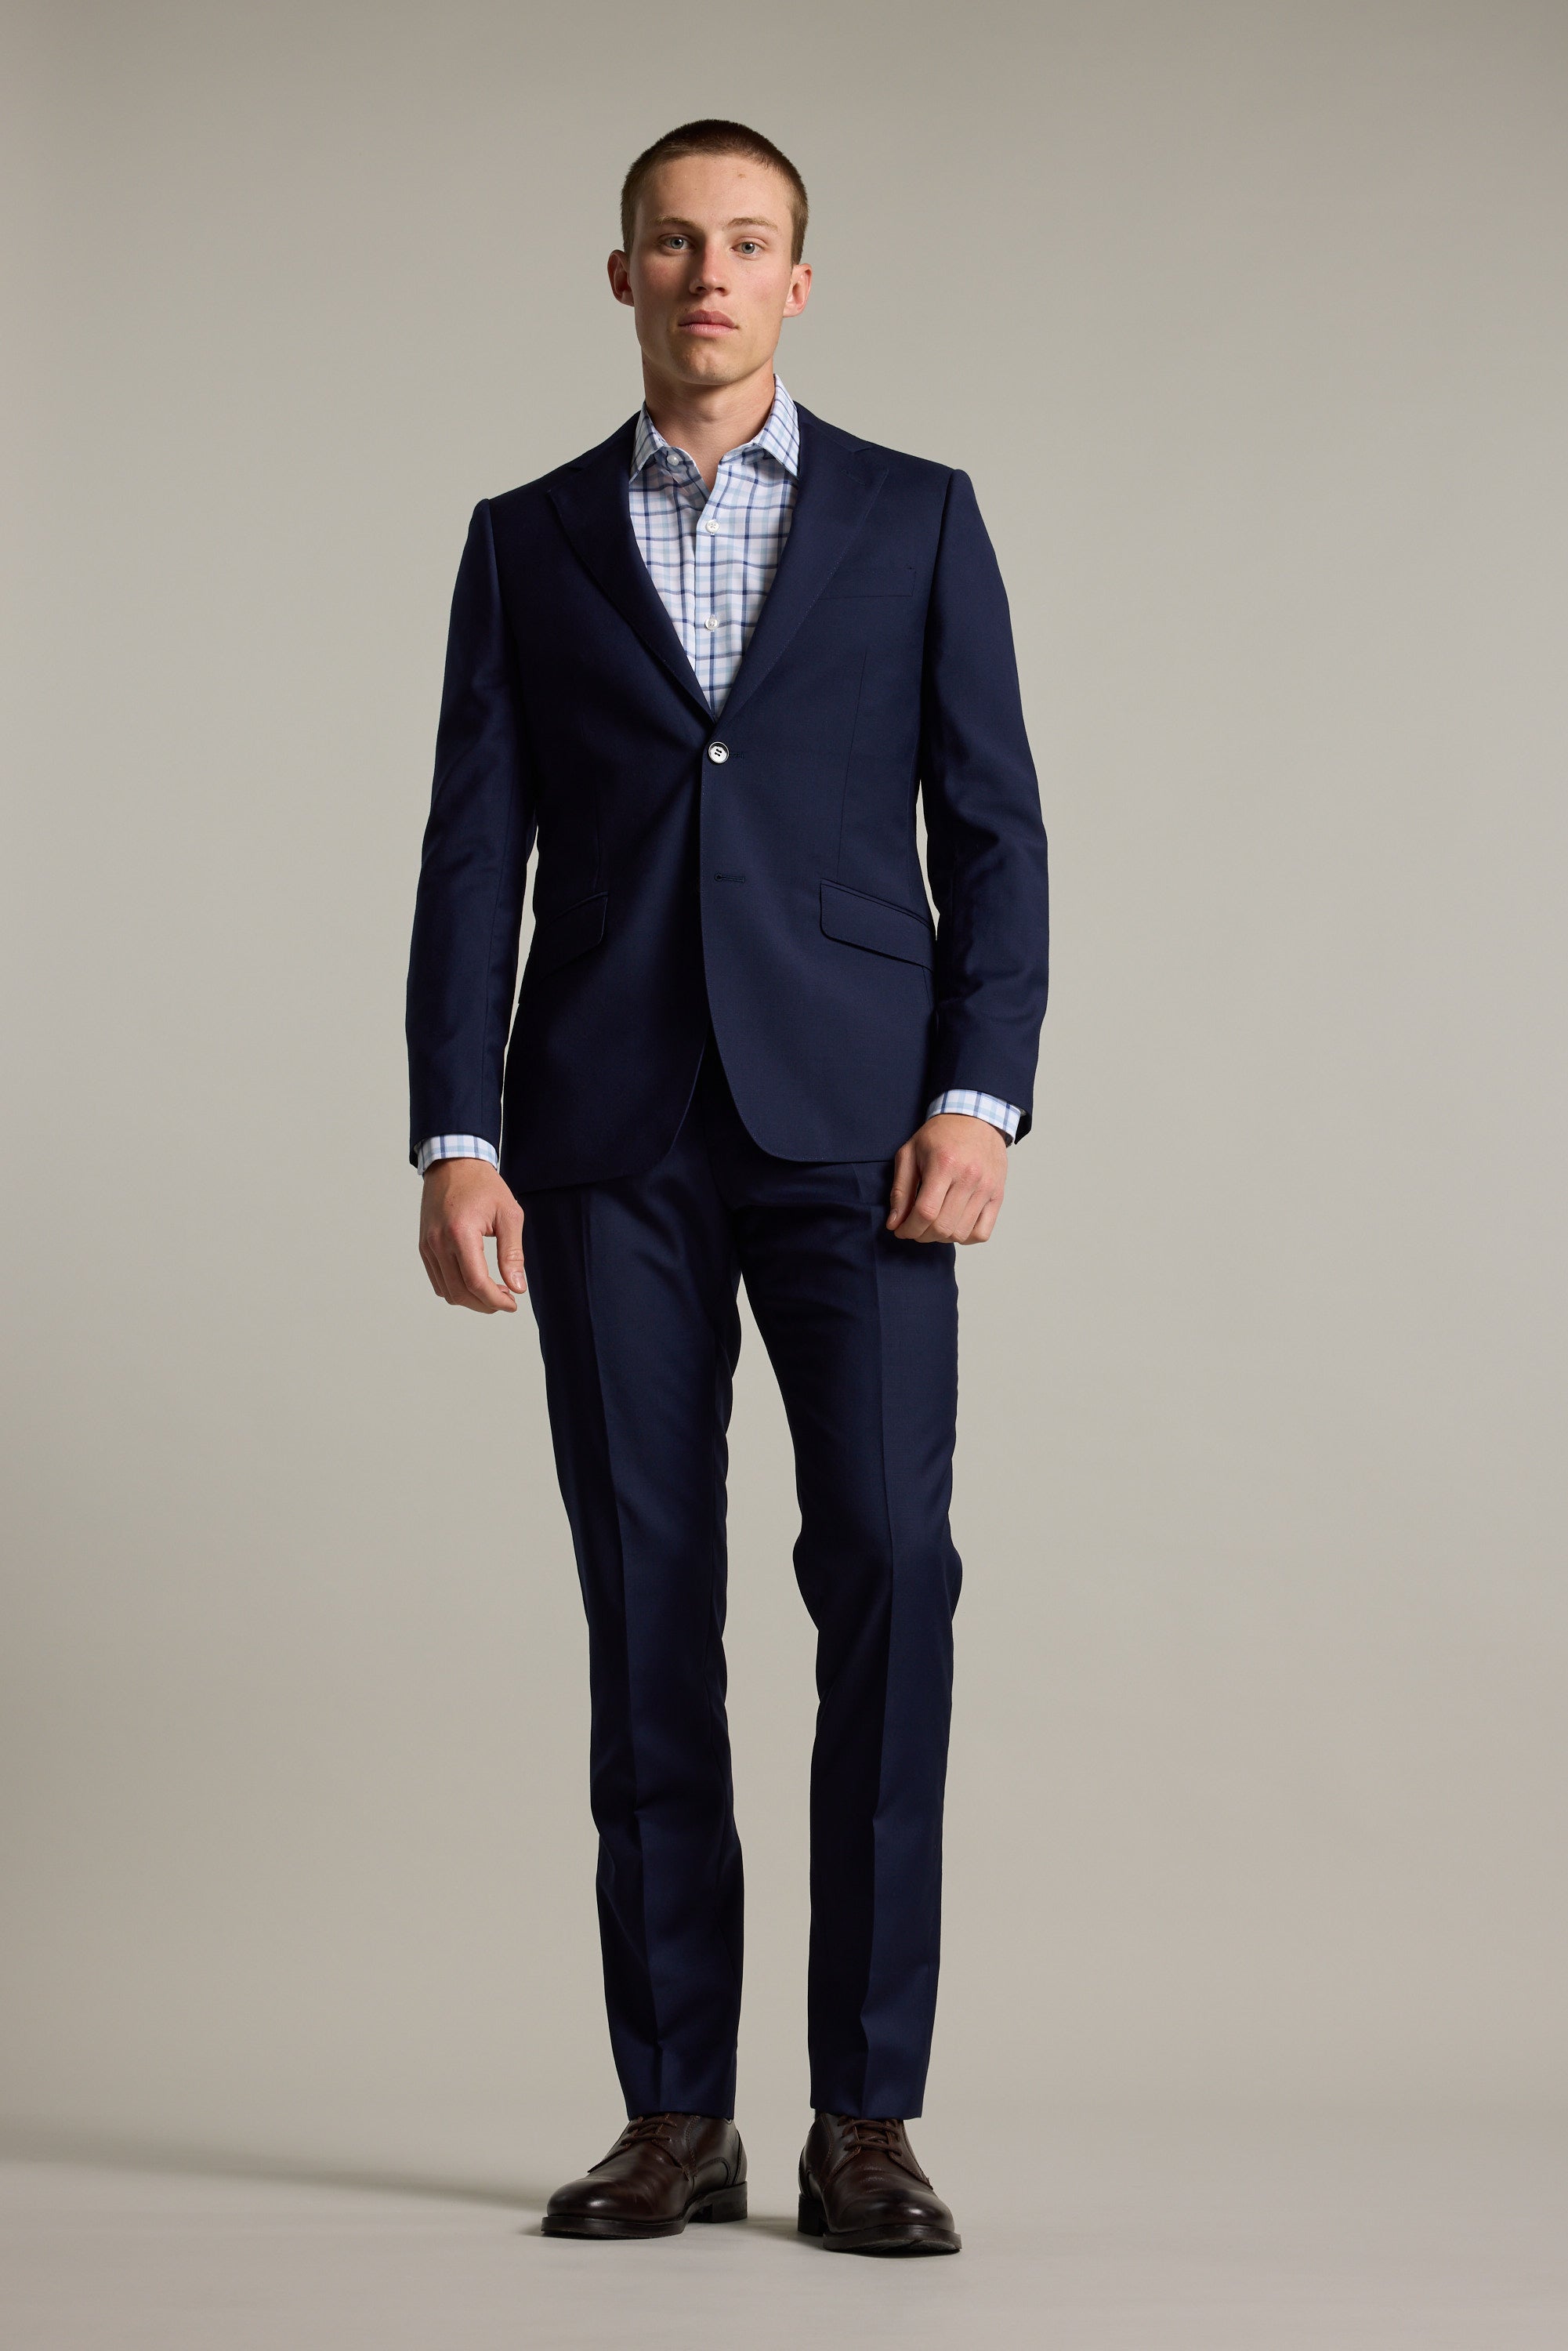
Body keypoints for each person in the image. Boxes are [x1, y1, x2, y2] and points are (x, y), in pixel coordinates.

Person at [405, 118, 1048, 2258]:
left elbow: (998, 834)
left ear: (796, 282)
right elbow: (467, 857)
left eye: (746, 242)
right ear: (621, 280)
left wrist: (979, 1094)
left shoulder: (915, 519)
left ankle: (865, 2120)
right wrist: (457, 1132)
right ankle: (672, 2112)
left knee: (889, 1576)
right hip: (605, 1148)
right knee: (646, 1621)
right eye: (672, 242)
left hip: (862, 1142)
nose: (707, 271)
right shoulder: (524, 542)